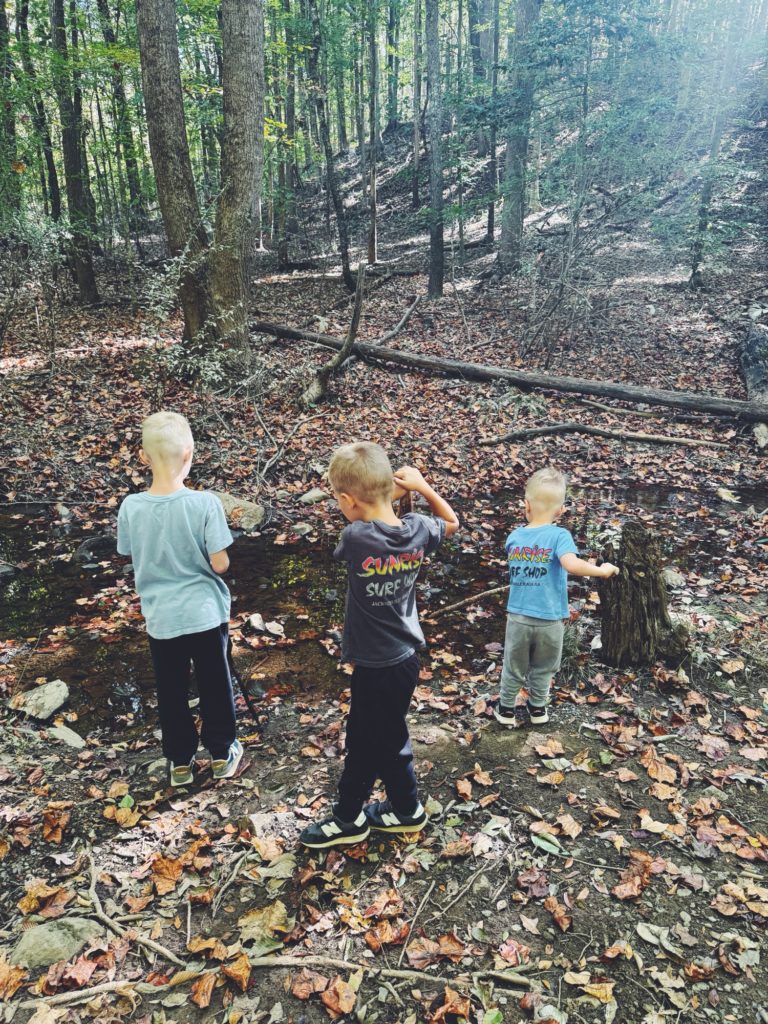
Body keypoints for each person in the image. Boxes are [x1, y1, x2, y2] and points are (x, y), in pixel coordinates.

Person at [299, 442, 459, 849]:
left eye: (340, 500)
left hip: (375, 667)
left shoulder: (356, 538)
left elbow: (364, 521)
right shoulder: (418, 528)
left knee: (365, 742)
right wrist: (420, 487)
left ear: (348, 499)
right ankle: (405, 809)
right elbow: (451, 522)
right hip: (404, 661)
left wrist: (391, 492)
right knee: (387, 736)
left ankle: (349, 818)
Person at [117, 411, 242, 787]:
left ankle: (181, 761)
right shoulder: (205, 504)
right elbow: (220, 564)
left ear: (143, 457)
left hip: (162, 619)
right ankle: (221, 753)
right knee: (214, 684)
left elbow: (129, 552)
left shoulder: (131, 507)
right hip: (204, 614)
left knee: (171, 690)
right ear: (189, 453)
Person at [495, 467, 619, 728]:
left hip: (518, 617)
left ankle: (506, 709)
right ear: (561, 510)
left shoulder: (514, 537)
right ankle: (537, 708)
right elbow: (571, 565)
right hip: (550, 620)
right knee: (544, 667)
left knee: (513, 666)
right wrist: (602, 570)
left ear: (526, 505)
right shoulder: (560, 536)